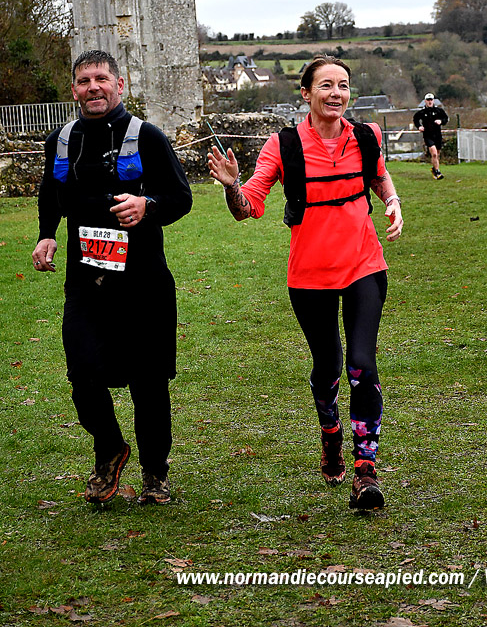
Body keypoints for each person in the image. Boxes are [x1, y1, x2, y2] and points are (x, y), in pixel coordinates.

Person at [207, 55, 403, 510]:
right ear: (306, 93)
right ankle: (330, 432)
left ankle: (366, 471)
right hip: (310, 275)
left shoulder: (367, 136)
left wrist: (392, 200)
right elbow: (247, 207)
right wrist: (232, 186)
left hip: (364, 266)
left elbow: (377, 175)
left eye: (343, 85)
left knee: (362, 364)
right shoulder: (283, 146)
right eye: (326, 85)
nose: (336, 93)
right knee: (328, 367)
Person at [32, 50, 192, 505]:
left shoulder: (147, 137)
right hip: (86, 283)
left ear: (119, 85)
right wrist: (47, 234)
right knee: (82, 372)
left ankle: (155, 473)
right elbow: (50, 193)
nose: (93, 87)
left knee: (148, 382)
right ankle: (110, 450)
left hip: (143, 284)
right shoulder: (62, 140)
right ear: (74, 90)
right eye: (84, 81)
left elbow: (181, 197)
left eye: (101, 78)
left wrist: (148, 205)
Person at [413, 93, 449, 179]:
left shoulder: (438, 111)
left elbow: (446, 118)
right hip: (428, 135)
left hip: (437, 135)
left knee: (437, 154)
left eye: (431, 100)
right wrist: (419, 126)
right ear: (425, 101)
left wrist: (441, 121)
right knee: (434, 153)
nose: (430, 102)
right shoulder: (422, 112)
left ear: (433, 101)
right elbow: (415, 119)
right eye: (428, 100)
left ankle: (434, 168)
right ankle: (437, 172)